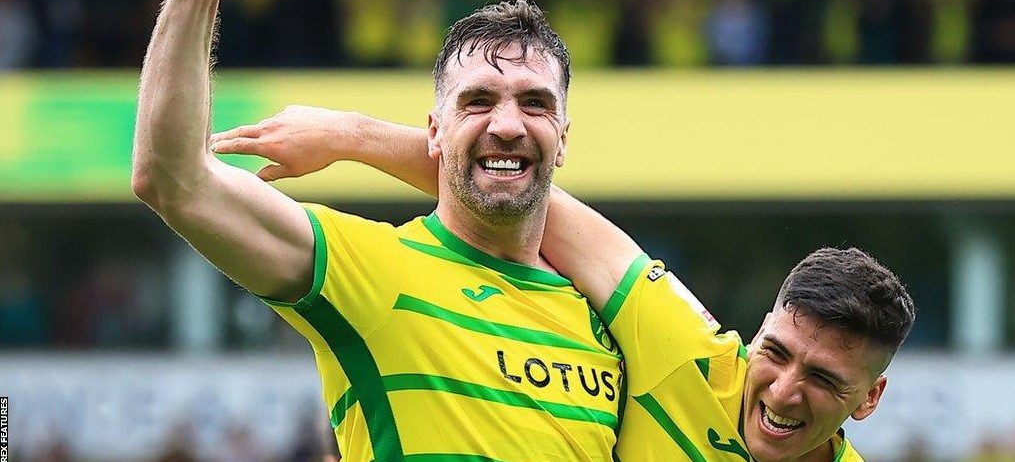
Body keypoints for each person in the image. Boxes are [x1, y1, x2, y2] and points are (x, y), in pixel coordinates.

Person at [132, 0, 622, 460]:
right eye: (478, 101)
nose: (508, 125)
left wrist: (351, 133)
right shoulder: (369, 270)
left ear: (563, 138)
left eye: (535, 103)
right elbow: (172, 178)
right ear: (434, 133)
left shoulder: (606, 322)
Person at [211, 108, 917, 462]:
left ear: (869, 399)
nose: (784, 391)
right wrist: (350, 137)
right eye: (776, 353)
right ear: (759, 332)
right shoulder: (685, 354)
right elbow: (523, 197)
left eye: (823, 380)